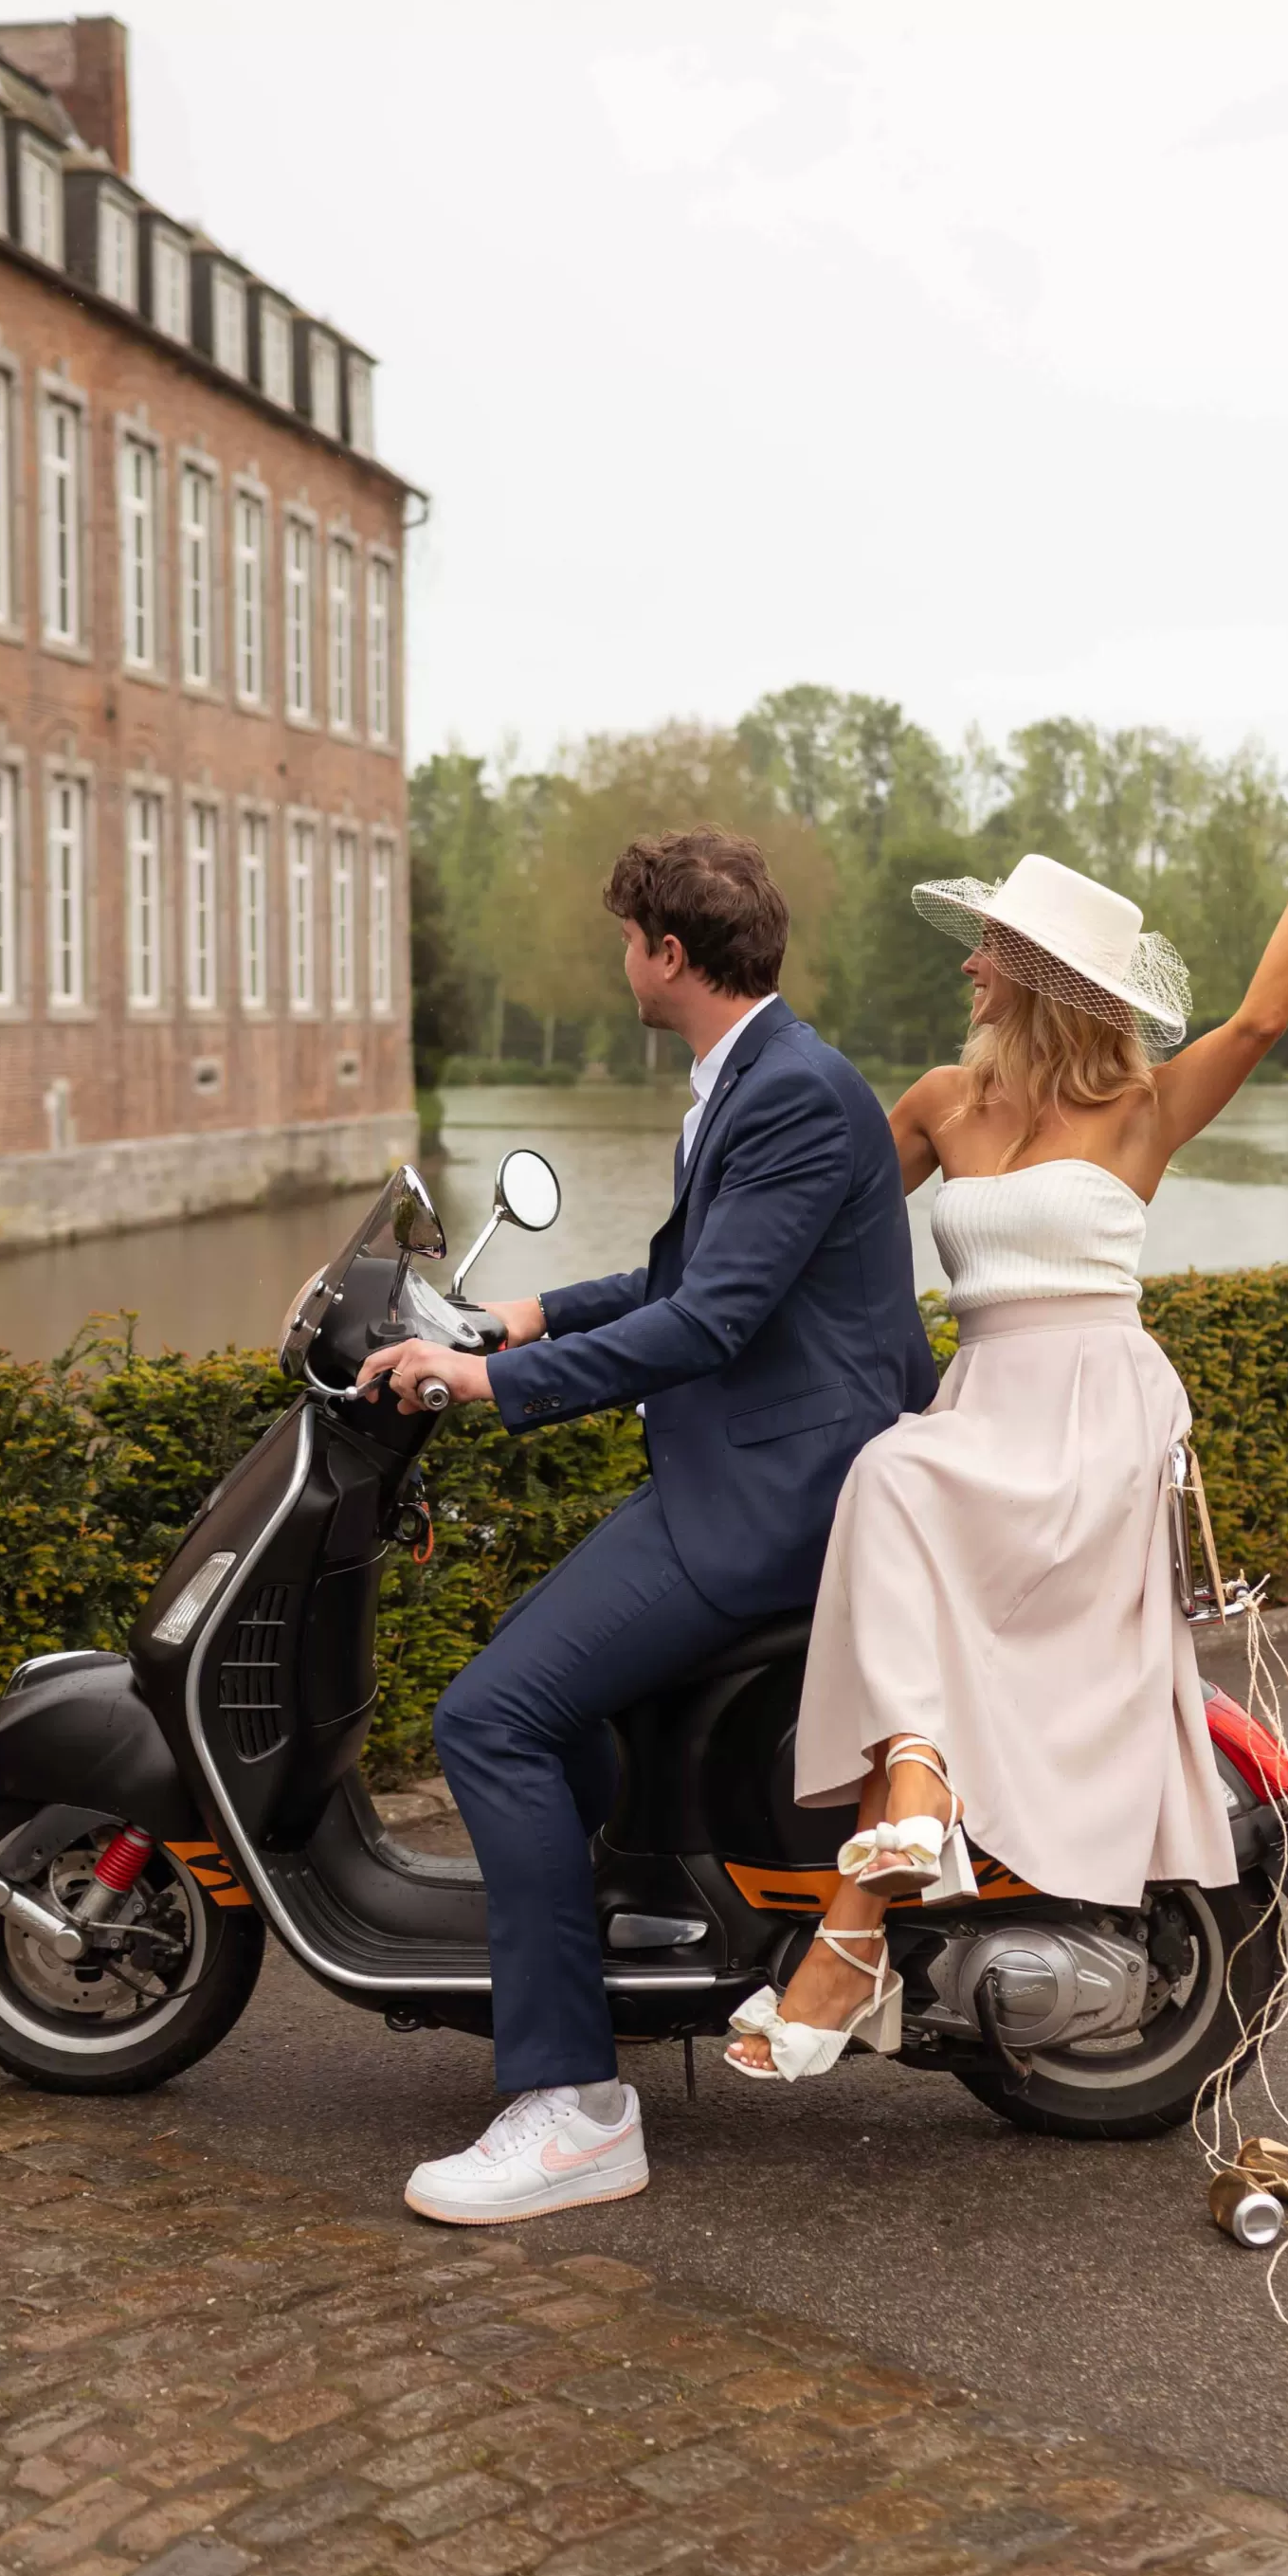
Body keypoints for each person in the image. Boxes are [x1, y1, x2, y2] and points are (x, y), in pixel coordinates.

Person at [723, 783, 1288, 2080]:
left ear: (1043, 977)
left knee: (892, 1474)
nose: (970, 967)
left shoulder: (1143, 1108)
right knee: (893, 1472)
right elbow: (814, 1223)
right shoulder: (939, 1100)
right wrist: (699, 1301)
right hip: (985, 1399)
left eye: (991, 948)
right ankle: (891, 1852)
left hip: (1098, 1408)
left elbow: (1262, 1018)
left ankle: (864, 1917)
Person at [355, 825, 934, 2217]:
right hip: (751, 1470)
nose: (622, 961)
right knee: (542, 1689)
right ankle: (602, 1934)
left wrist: (484, 1381)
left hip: (776, 1496)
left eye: (628, 940)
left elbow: (711, 1321)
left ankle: (574, 2105)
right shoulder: (756, 1076)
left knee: (490, 1717)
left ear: (669, 956)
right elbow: (688, 1278)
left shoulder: (790, 1094)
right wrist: (524, 1312)